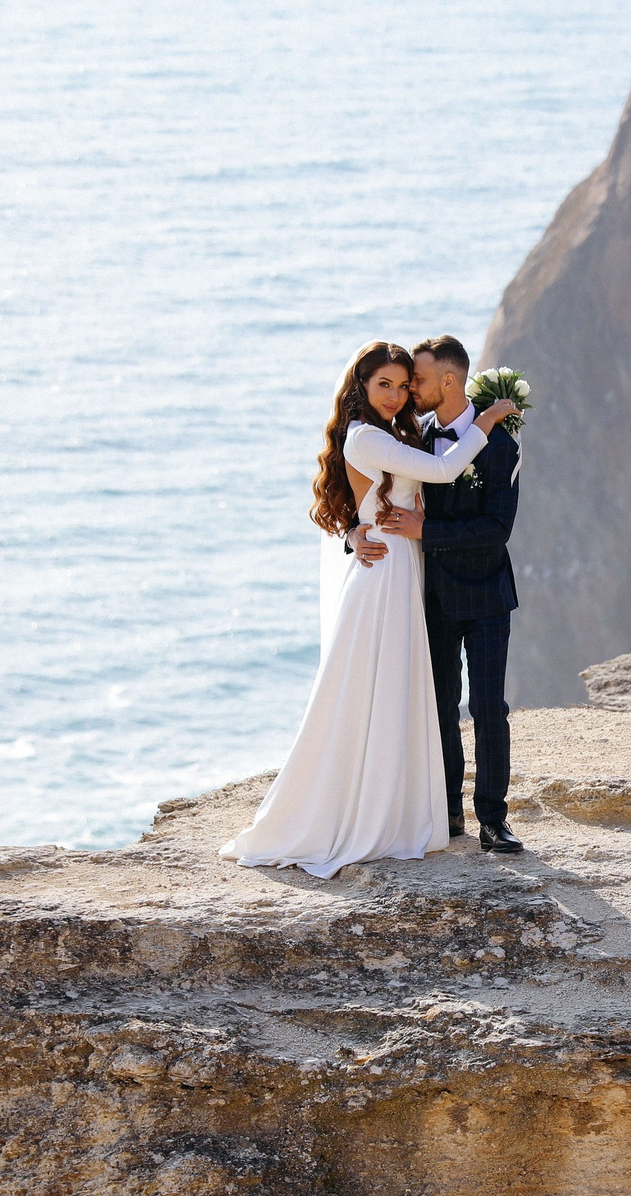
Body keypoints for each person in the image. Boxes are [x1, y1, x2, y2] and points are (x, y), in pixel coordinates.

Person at [221, 342, 516, 877]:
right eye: (387, 384)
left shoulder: (409, 434)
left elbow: (464, 512)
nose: (400, 394)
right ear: (361, 385)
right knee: (385, 695)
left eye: (405, 385)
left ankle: (451, 815)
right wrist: (491, 415)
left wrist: (361, 528)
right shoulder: (372, 436)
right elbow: (441, 473)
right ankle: (389, 812)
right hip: (391, 579)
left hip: (433, 577)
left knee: (431, 698)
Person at [358, 335, 523, 851]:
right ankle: (448, 813)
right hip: (432, 595)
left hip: (489, 594)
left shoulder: (501, 443)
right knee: (441, 705)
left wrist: (425, 532)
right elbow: (370, 495)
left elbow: (498, 526)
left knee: (489, 705)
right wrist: (354, 534)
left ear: (448, 381)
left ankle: (494, 820)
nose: (410, 392)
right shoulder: (413, 436)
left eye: (419, 381)